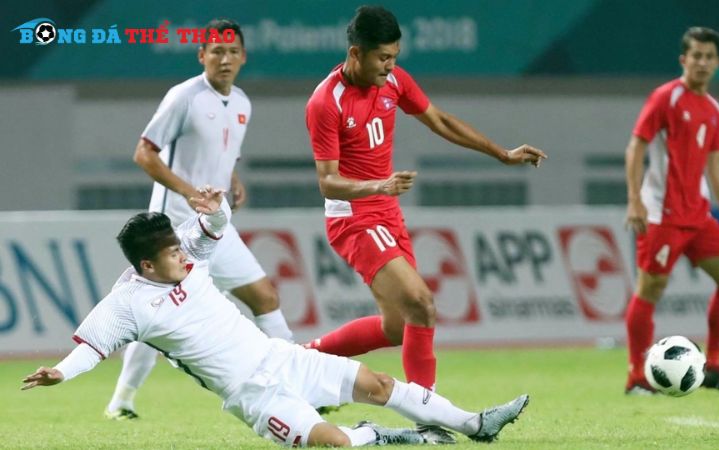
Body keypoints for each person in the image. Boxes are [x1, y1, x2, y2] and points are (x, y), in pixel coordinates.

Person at [21, 187, 529, 447]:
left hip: (278, 358)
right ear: (147, 265)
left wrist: (216, 209)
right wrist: (59, 372)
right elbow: (92, 347)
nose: (183, 255)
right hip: (251, 395)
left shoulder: (188, 258)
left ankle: (476, 424)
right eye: (171, 254)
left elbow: (215, 228)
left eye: (180, 247)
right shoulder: (127, 303)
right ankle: (380, 435)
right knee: (335, 444)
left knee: (376, 382)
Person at [304, 5, 545, 439]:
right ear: (355, 53)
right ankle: (432, 421)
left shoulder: (395, 81)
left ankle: (301, 360)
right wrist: (378, 187)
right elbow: (328, 182)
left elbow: (440, 120)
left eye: (395, 56)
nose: (390, 66)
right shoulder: (327, 101)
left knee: (399, 325)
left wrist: (501, 153)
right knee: (422, 303)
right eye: (382, 58)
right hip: (354, 217)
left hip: (386, 211)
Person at [105, 18, 294, 419]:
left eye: (231, 52)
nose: (224, 60)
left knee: (265, 298)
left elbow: (223, 153)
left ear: (243, 57)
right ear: (202, 55)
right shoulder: (184, 97)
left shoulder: (242, 102)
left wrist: (234, 178)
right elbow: (144, 153)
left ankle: (295, 386)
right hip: (173, 230)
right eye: (216, 51)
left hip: (215, 226)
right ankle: (121, 400)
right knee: (156, 314)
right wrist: (190, 192)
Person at [623, 27, 719, 395]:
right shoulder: (666, 97)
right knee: (650, 289)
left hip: (699, 215)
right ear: (684, 59)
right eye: (696, 56)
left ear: (718, 63)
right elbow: (636, 147)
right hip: (662, 214)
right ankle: (636, 376)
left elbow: (716, 164)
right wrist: (635, 199)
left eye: (710, 57)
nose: (703, 63)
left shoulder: (713, 109)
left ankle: (716, 365)